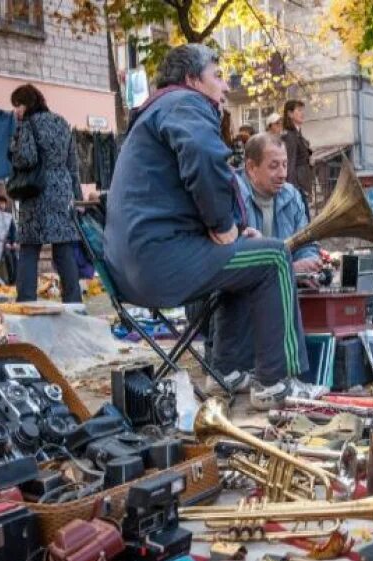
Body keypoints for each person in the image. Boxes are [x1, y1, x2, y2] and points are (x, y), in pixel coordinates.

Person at [104, 44, 309, 410]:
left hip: (135, 268)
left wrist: (228, 234)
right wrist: (224, 225)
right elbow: (201, 155)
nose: (225, 86)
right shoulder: (184, 103)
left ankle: (227, 370)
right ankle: (277, 382)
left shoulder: (158, 109)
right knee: (276, 256)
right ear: (191, 79)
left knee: (242, 265)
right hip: (159, 264)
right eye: (217, 76)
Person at [205, 132, 321, 393]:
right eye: (273, 166)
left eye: (284, 164)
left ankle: (234, 372)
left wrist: (310, 260)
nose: (282, 173)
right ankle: (282, 378)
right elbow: (225, 247)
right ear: (251, 167)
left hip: (275, 279)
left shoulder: (291, 195)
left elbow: (307, 243)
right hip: (231, 283)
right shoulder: (230, 193)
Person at [9, 84, 83, 303]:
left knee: (30, 247)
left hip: (37, 190)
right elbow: (73, 165)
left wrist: (12, 146)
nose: (16, 111)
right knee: (64, 247)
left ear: (27, 104)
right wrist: (76, 197)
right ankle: (73, 300)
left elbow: (26, 158)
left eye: (18, 105)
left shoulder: (28, 124)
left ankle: (27, 300)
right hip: (61, 189)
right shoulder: (61, 122)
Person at [282, 99, 314, 220]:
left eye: (303, 110)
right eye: (299, 110)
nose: (302, 113)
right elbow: (290, 165)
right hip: (296, 188)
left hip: (301, 187)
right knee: (304, 222)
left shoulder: (297, 135)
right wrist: (292, 191)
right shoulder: (290, 136)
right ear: (290, 114)